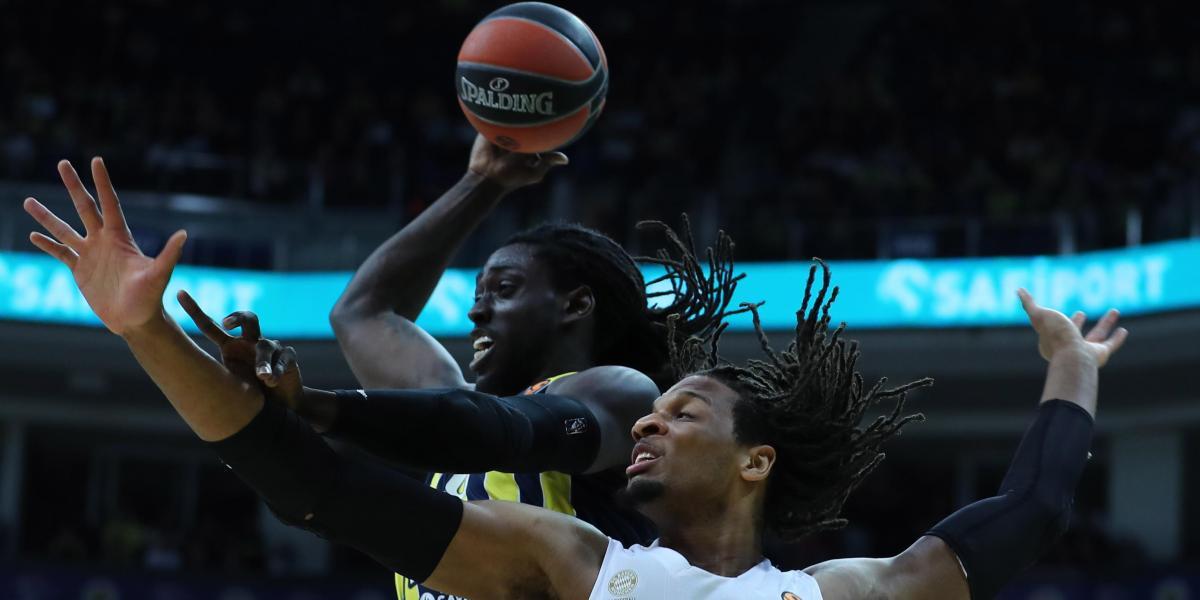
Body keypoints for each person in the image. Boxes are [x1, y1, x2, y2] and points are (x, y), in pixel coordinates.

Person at [25, 157, 1128, 599]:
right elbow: (313, 485)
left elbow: (1030, 512)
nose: (648, 422)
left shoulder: (833, 596)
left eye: (681, 410)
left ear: (755, 459)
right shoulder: (581, 567)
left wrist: (1072, 370)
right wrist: (146, 332)